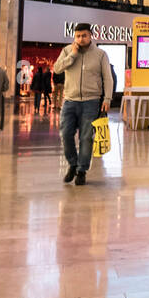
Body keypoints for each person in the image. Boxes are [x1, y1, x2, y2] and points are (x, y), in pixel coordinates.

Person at [53, 22, 113, 186]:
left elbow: (107, 78)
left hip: (91, 102)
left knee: (86, 138)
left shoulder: (100, 54)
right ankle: (72, 164)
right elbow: (57, 68)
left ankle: (81, 170)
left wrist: (107, 99)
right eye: (78, 36)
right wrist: (72, 55)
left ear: (90, 36)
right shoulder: (67, 51)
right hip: (70, 100)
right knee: (65, 134)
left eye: (84, 35)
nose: (81, 39)